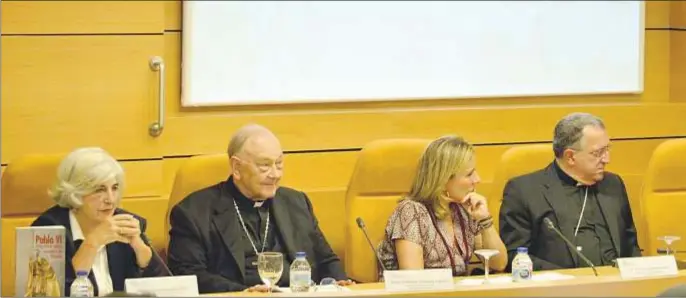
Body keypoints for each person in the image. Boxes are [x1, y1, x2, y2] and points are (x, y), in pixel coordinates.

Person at [167, 124, 352, 293]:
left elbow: (326, 259)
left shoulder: (296, 202)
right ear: (236, 167)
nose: (275, 174)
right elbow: (189, 276)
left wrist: (340, 282)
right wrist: (244, 292)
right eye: (264, 166)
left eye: (279, 164)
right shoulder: (193, 212)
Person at [499, 112, 641, 271]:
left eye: (607, 149)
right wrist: (568, 277)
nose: (607, 159)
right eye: (598, 153)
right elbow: (515, 257)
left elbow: (631, 246)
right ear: (570, 157)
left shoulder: (613, 184)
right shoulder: (524, 191)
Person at [31, 147, 169, 297]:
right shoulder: (47, 232)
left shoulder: (123, 223)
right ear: (75, 193)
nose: (111, 199)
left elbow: (167, 288)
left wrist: (139, 247)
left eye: (114, 188)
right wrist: (92, 243)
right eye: (99, 190)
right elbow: (49, 293)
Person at [377, 135, 507, 279]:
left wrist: (485, 221)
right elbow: (413, 282)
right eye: (469, 174)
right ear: (443, 179)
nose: (477, 179)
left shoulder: (464, 209)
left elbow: (498, 264)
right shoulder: (411, 212)